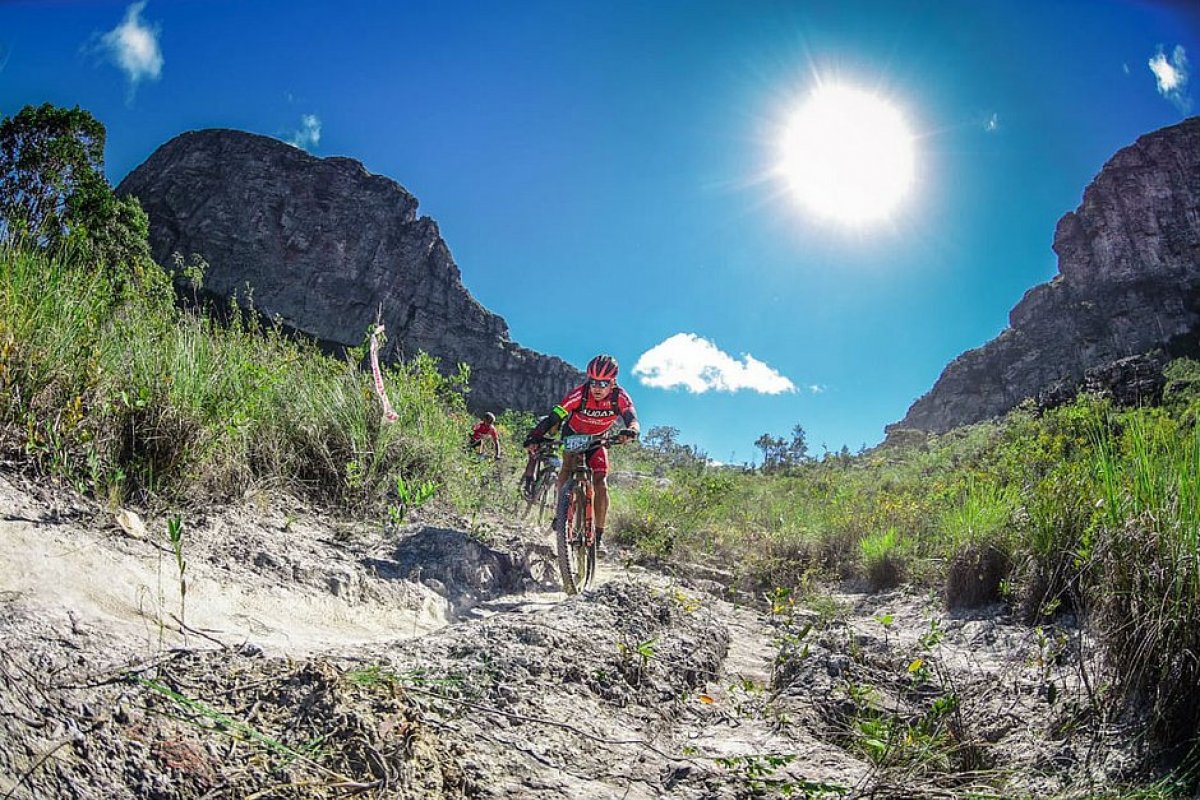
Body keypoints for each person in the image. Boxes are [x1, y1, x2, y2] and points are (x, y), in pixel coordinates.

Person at [523, 354, 639, 548]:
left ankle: (598, 537)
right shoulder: (579, 394)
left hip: (598, 439)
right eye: (593, 382)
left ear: (613, 382)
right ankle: (561, 513)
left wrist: (631, 431)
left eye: (603, 383)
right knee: (567, 469)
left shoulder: (620, 397)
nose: (597, 387)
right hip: (574, 434)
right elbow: (555, 416)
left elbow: (631, 418)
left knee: (601, 483)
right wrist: (535, 436)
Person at [520, 414, 561, 499]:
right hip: (535, 439)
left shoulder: (561, 425)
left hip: (549, 442)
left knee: (551, 459)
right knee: (533, 460)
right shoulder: (545, 422)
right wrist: (533, 445)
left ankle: (543, 480)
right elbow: (534, 435)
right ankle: (527, 486)